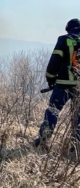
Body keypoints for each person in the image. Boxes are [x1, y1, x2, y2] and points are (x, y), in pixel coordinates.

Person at [34, 18, 80, 147]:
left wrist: (50, 78)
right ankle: (76, 146)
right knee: (79, 116)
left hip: (63, 84)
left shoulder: (64, 39)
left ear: (68, 28)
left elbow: (54, 61)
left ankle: (43, 140)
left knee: (53, 111)